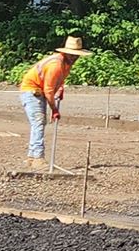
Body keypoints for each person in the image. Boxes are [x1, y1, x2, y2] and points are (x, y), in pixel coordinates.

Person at [16, 34, 89, 164]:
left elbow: (56, 82)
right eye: (72, 54)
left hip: (40, 90)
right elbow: (48, 90)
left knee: (39, 122)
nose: (74, 57)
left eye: (76, 55)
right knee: (38, 121)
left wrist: (60, 88)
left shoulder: (66, 63)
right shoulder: (56, 65)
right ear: (66, 53)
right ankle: (37, 157)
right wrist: (54, 109)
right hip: (31, 90)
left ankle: (32, 157)